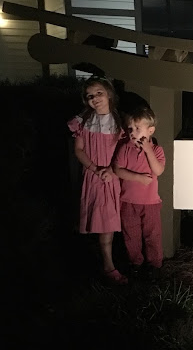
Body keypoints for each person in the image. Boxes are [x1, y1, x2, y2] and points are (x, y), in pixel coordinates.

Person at [68, 76, 127, 285]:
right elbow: (79, 150)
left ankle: (120, 259)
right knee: (104, 223)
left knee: (116, 220)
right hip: (94, 177)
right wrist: (95, 169)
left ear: (109, 93)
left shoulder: (120, 122)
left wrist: (111, 170)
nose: (95, 98)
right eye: (90, 96)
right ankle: (108, 266)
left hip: (114, 177)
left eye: (99, 93)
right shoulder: (83, 122)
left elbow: (124, 150)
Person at [113, 105, 165, 279]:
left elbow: (158, 170)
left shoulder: (156, 150)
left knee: (152, 234)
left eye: (137, 128)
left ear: (150, 131)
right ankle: (135, 263)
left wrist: (148, 150)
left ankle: (154, 265)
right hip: (128, 201)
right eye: (130, 128)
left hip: (150, 202)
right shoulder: (125, 148)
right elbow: (117, 169)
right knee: (131, 234)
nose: (132, 132)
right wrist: (138, 178)